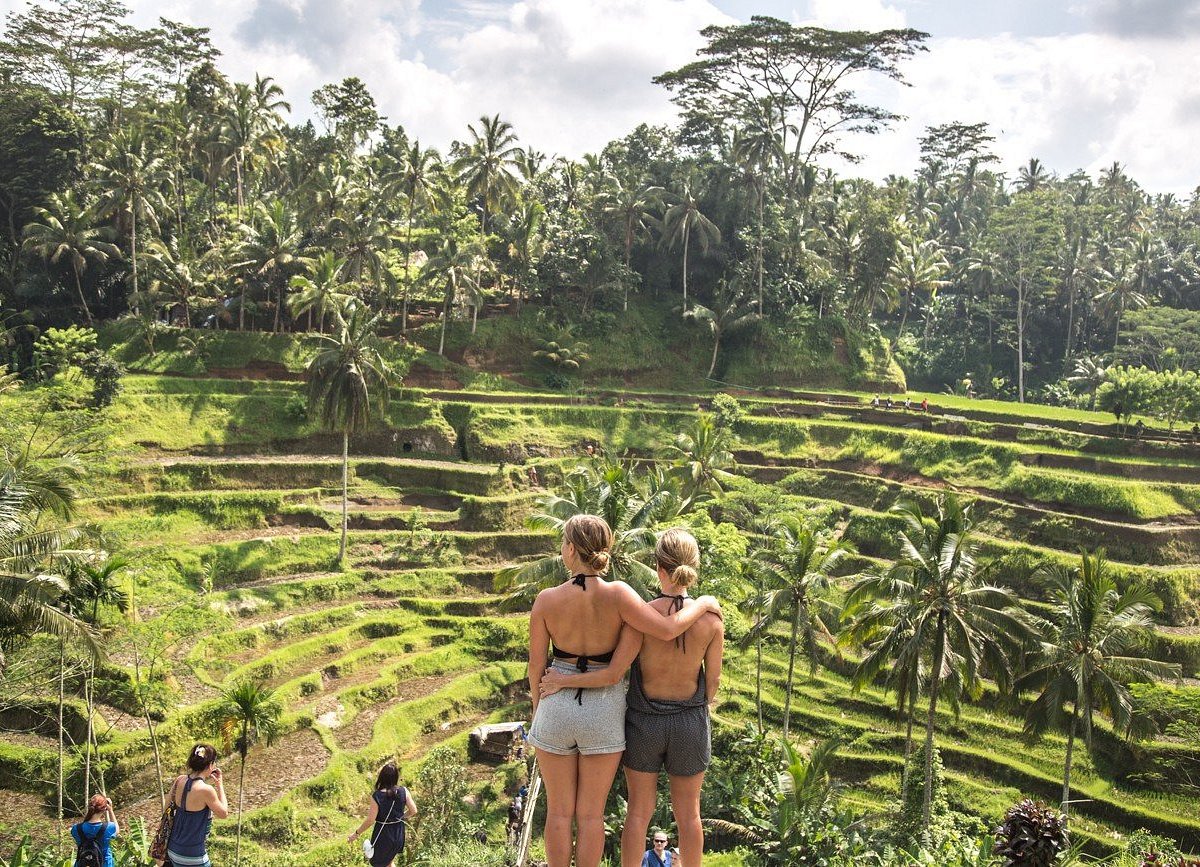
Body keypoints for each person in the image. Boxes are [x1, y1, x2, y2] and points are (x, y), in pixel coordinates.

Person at [527, 515, 721, 867]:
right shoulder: (622, 596)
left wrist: (540, 709)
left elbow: (535, 667)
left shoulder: (546, 600)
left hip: (567, 707)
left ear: (570, 549)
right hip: (621, 711)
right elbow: (670, 636)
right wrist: (704, 605)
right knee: (594, 815)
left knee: (563, 813)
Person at [166, 744, 229, 867]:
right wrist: (220, 785)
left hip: (173, 850)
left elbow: (165, 808)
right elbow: (223, 813)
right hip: (193, 855)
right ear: (210, 765)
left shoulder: (179, 780)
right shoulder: (206, 790)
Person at [348, 761, 417, 867]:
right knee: (389, 862)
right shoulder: (404, 791)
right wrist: (399, 818)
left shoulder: (377, 796)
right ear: (396, 777)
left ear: (382, 777)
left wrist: (356, 834)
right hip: (398, 833)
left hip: (384, 835)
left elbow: (370, 820)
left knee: (378, 863)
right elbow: (413, 811)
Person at [71, 794, 118, 867]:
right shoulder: (108, 827)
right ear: (104, 808)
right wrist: (110, 810)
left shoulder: (76, 828)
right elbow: (117, 830)